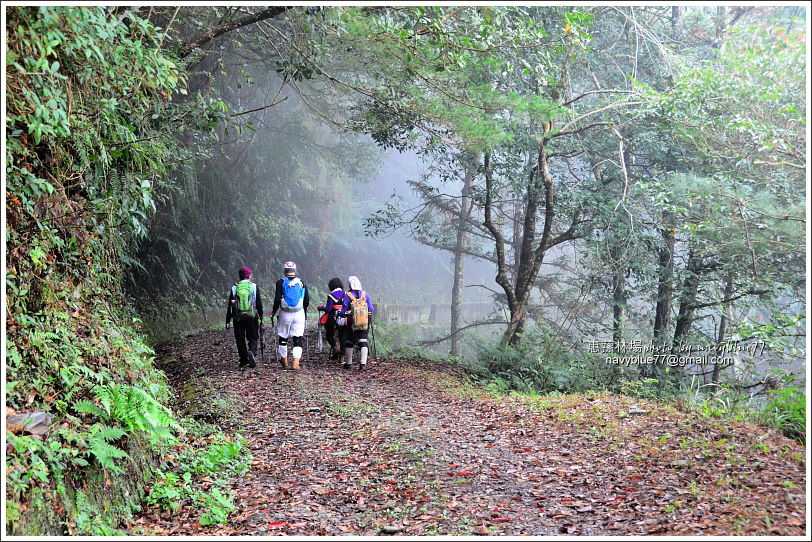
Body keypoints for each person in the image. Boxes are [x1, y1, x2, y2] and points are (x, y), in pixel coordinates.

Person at [269, 261, 309, 370]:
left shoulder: (280, 282)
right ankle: (296, 362)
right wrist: (304, 312)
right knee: (298, 337)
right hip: (299, 313)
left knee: (283, 336)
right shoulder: (302, 282)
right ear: (295, 271)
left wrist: (273, 312)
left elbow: (277, 299)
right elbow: (306, 300)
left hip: (285, 313)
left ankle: (284, 360)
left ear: (284, 271)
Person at [225, 267, 263, 368]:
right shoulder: (254, 286)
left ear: (239, 276)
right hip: (252, 316)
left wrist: (228, 320)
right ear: (249, 276)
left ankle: (243, 360)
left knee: (240, 339)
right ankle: (252, 352)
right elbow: (259, 303)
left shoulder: (234, 288)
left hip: (238, 317)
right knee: (253, 336)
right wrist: (261, 316)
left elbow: (230, 305)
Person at [340, 275, 375, 371]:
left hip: (352, 322)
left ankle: (348, 364)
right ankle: (363, 365)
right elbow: (371, 309)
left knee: (350, 342)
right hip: (364, 322)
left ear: (350, 285)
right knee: (363, 341)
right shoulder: (365, 295)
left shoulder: (348, 295)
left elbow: (343, 311)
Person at [317, 278, 347, 362]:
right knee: (342, 337)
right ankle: (342, 357)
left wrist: (321, 307)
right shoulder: (346, 294)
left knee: (329, 335)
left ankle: (335, 348)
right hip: (343, 317)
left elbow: (328, 309)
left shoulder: (332, 295)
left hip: (333, 318)